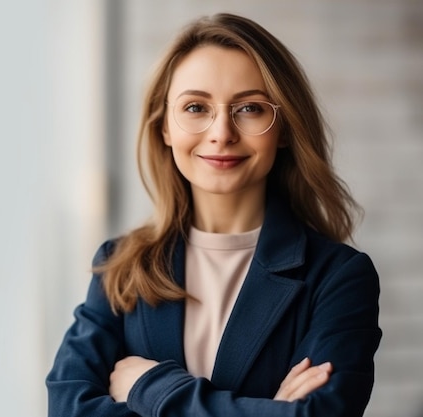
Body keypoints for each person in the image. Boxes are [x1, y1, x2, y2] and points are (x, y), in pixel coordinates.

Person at [46, 12, 381, 417]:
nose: (222, 132)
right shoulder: (120, 266)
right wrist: (266, 410)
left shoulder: (338, 278)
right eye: (195, 107)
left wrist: (148, 386)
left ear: (285, 128)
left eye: (250, 108)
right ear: (165, 127)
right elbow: (67, 408)